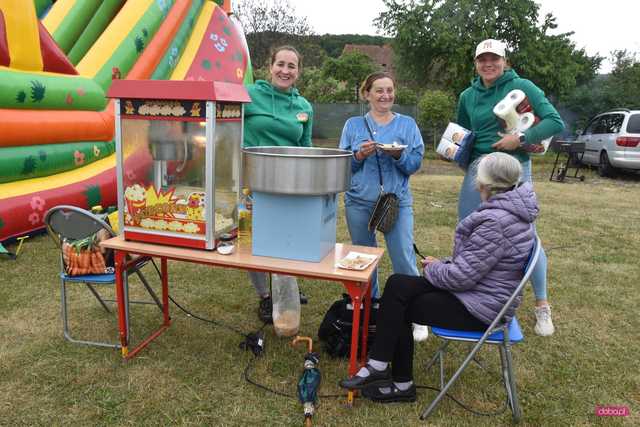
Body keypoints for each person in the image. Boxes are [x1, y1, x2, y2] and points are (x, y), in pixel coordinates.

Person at [339, 152, 537, 403]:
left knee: (401, 305)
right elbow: (476, 266)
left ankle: (400, 383)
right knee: (398, 284)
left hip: (481, 309)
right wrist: (441, 264)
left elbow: (460, 278)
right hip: (482, 293)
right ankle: (380, 363)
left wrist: (433, 269)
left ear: (485, 185)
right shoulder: (510, 210)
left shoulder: (496, 222)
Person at [456, 39, 564, 336]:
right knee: (467, 229)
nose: (488, 64)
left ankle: (542, 305)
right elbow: (462, 131)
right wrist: (455, 152)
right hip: (480, 168)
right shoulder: (468, 95)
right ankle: (468, 293)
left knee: (525, 237)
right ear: (476, 63)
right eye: (482, 59)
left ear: (505, 61)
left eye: (494, 59)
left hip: (515, 166)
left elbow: (555, 122)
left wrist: (520, 137)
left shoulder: (523, 86)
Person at [338, 72, 424, 300]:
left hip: (396, 202)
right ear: (367, 94)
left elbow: (414, 164)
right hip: (358, 202)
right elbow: (343, 167)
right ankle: (370, 306)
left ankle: (414, 313)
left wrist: (398, 156)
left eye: (389, 90)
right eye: (379, 90)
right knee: (363, 259)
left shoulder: (408, 124)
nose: (385, 95)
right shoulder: (353, 125)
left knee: (403, 257)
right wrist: (358, 155)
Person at [243, 45, 313, 322]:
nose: (285, 70)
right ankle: (265, 296)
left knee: (286, 238)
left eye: (291, 66)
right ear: (270, 67)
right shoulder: (249, 95)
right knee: (256, 240)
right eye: (280, 64)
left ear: (298, 72)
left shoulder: (304, 106)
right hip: (253, 180)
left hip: (288, 183)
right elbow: (228, 126)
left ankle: (285, 287)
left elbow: (305, 147)